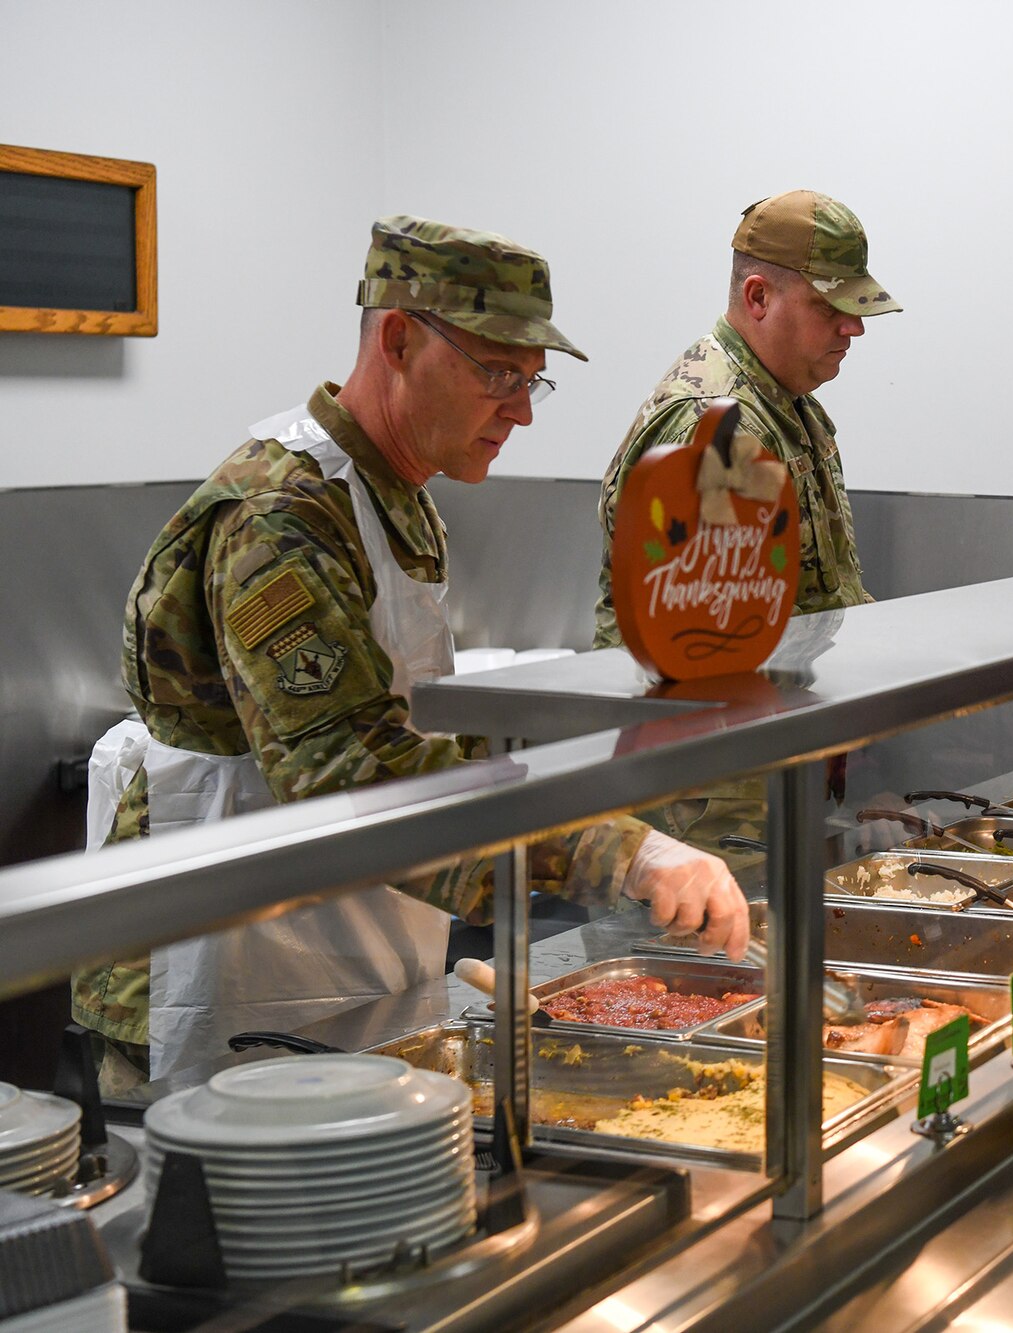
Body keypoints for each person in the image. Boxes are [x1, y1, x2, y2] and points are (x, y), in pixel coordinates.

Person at [77, 216, 749, 1085]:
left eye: (532, 383)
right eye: (498, 372)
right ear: (397, 338)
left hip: (341, 951)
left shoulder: (396, 493)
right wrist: (617, 851)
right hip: (219, 974)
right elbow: (352, 771)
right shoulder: (281, 517)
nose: (518, 411)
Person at [593, 190, 900, 864]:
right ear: (758, 296)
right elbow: (695, 646)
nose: (854, 328)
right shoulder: (716, 423)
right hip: (708, 810)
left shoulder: (789, 408)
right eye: (831, 308)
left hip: (772, 775)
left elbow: (812, 602)